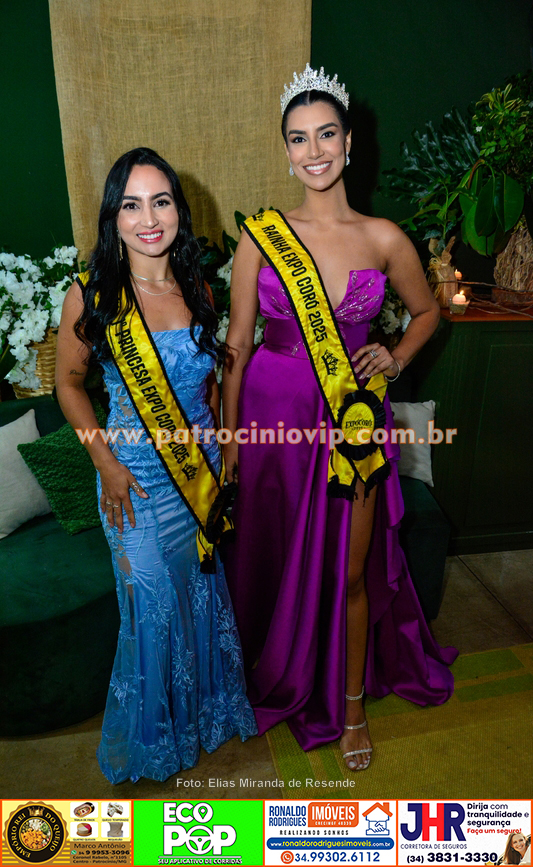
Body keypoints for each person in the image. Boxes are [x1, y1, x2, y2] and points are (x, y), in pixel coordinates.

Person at [222, 65, 457, 771]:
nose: (314, 150)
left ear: (349, 142)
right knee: (266, 555)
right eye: (299, 138)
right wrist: (230, 442)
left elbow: (427, 312)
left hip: (351, 424)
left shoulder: (383, 237)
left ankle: (350, 706)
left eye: (326, 134)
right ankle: (270, 670)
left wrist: (394, 354)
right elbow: (237, 346)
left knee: (351, 571)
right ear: (286, 151)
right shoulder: (260, 237)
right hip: (270, 422)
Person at [56, 147, 256, 784]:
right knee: (151, 610)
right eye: (131, 204)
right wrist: (106, 464)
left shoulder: (197, 287)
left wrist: (223, 446)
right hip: (134, 482)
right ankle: (151, 740)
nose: (148, 219)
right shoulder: (90, 295)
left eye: (161, 201)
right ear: (112, 218)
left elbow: (209, 383)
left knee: (197, 597)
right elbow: (67, 384)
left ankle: (201, 716)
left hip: (196, 477)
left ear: (178, 211)